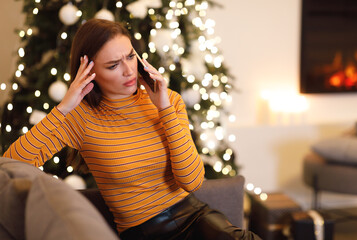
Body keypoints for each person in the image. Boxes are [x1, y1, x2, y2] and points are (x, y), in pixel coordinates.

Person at [3, 19, 260, 240]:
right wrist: (64, 108)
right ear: (89, 72)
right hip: (143, 232)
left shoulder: (166, 99)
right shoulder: (78, 118)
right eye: (113, 65)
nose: (129, 71)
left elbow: (191, 181)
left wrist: (164, 109)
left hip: (194, 216)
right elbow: (11, 165)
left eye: (130, 57)